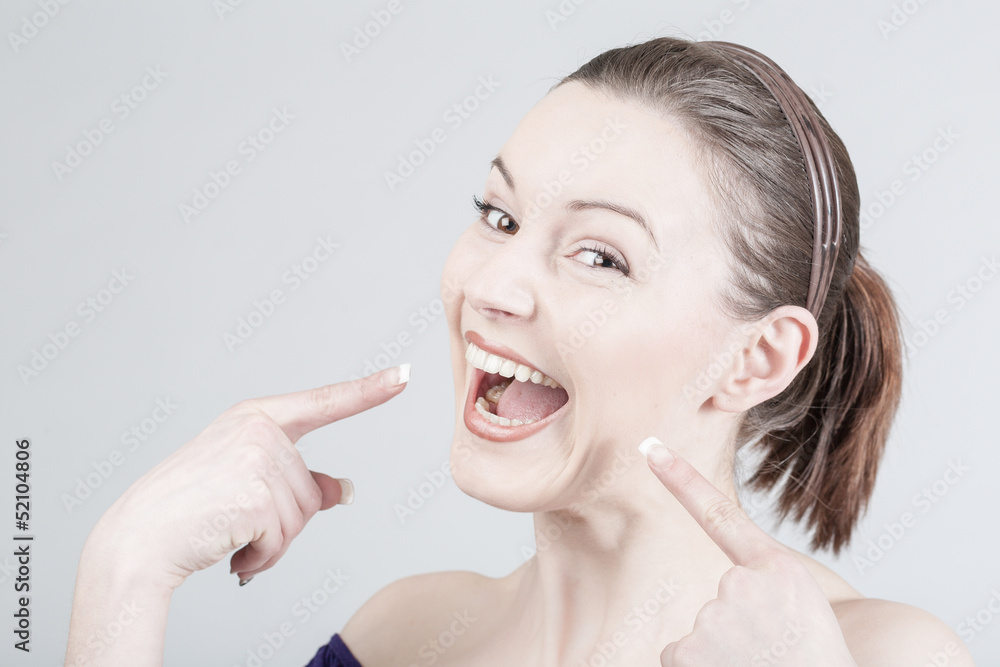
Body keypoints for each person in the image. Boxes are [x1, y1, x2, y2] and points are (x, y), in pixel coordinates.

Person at [65, 37, 974, 666]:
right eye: (499, 217)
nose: (493, 283)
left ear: (758, 359)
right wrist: (125, 570)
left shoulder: (880, 655)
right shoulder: (405, 636)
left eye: (600, 256)